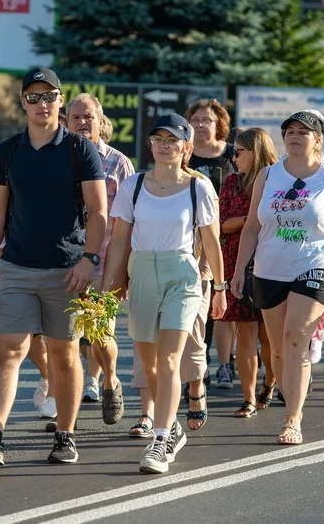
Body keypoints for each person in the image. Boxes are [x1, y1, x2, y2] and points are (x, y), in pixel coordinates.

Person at [0, 67, 107, 466]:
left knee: (63, 354)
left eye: (49, 96)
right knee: (8, 348)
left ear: (60, 101)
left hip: (67, 269)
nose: (41, 104)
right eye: (33, 97)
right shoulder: (9, 150)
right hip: (16, 267)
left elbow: (98, 212)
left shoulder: (79, 149)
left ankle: (65, 435)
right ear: (23, 102)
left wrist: (89, 260)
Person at [102, 113, 226, 474]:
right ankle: (170, 425)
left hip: (182, 276)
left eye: (172, 140)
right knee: (150, 361)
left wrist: (219, 287)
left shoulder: (198, 187)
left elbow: (211, 241)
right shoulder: (133, 186)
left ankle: (159, 440)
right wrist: (108, 287)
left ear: (186, 146)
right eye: (158, 138)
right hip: (141, 272)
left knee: (171, 359)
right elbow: (120, 240)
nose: (164, 145)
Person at [231, 110, 324, 445]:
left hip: (316, 265)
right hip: (270, 268)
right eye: (289, 130)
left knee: (295, 339)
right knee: (277, 350)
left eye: (303, 131)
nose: (294, 136)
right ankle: (293, 403)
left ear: (318, 139)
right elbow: (251, 227)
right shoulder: (268, 176)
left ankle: (292, 420)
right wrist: (236, 272)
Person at [66, 93, 134, 423]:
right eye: (75, 117)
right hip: (60, 260)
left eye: (88, 117)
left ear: (100, 121)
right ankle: (63, 407)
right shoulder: (57, 157)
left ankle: (110, 378)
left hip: (104, 261)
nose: (81, 122)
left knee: (98, 333)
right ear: (66, 121)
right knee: (59, 338)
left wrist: (123, 270)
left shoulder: (118, 164)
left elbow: (129, 221)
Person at [220, 128, 277, 418]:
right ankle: (248, 398)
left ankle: (269, 382)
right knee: (244, 330)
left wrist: (248, 221)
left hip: (271, 261)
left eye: (239, 151)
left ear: (255, 152)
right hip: (236, 259)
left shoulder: (278, 179)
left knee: (269, 336)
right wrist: (251, 218)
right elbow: (222, 223)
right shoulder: (231, 182)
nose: (234, 156)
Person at [185, 98, 236, 387]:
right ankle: (198, 368)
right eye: (195, 120)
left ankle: (226, 364)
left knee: (223, 307)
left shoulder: (230, 155)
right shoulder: (183, 155)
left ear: (219, 125)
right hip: (191, 242)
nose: (201, 125)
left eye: (207, 120)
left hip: (228, 240)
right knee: (197, 308)